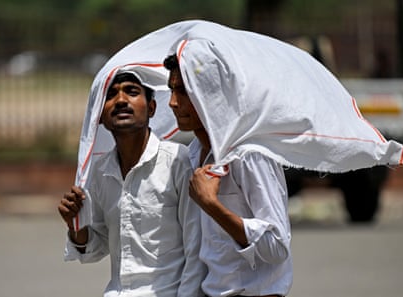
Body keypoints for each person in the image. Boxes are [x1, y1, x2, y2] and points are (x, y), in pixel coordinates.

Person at [58, 71, 206, 297]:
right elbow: (97, 247)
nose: (120, 101)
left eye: (132, 91)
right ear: (100, 116)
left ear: (152, 108)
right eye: (111, 95)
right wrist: (76, 227)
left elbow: (196, 249)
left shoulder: (178, 161)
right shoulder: (101, 171)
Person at [164, 54, 292, 297]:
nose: (172, 102)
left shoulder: (249, 155)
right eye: (171, 90)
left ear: (211, 95)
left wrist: (212, 205)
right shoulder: (191, 156)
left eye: (183, 92)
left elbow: (276, 246)